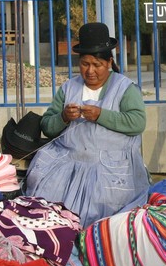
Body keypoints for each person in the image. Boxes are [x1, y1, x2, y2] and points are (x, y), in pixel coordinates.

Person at [24, 22, 150, 228]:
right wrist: (64, 117)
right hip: (67, 165)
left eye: (97, 65)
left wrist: (101, 115)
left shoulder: (125, 88)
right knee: (47, 206)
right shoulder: (69, 87)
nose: (90, 71)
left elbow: (137, 123)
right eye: (84, 64)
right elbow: (47, 125)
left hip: (111, 168)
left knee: (104, 217)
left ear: (109, 62)